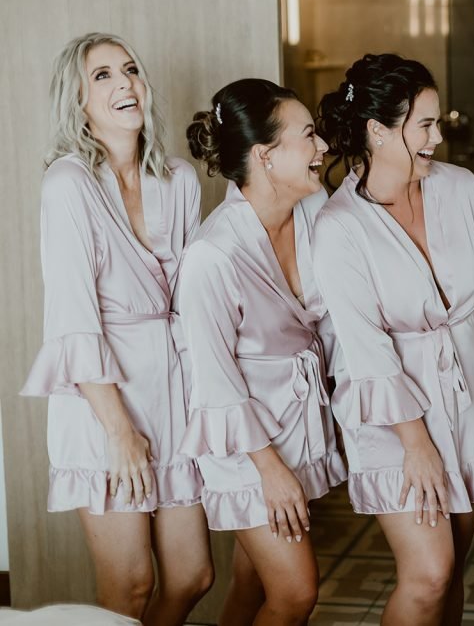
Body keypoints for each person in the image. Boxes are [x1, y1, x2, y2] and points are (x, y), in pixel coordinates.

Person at [20, 32, 212, 623]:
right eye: (101, 75)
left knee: (192, 575)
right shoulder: (68, 185)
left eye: (129, 69)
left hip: (174, 394)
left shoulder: (178, 179)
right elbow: (74, 320)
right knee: (129, 586)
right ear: (77, 100)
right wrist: (121, 433)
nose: (124, 82)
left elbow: (194, 298)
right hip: (104, 403)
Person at [313, 54, 474, 626]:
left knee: (454, 571)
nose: (437, 137)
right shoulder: (339, 226)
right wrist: (416, 443)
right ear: (377, 130)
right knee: (428, 575)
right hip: (391, 415)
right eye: (424, 124)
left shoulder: (461, 188)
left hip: (469, 393)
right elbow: (365, 346)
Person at [180, 78, 345, 625]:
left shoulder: (314, 209)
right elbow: (215, 381)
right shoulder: (212, 256)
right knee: (296, 592)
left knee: (253, 585)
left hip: (295, 421)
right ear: (266, 156)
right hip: (244, 444)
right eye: (308, 136)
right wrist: (269, 468)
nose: (322, 147)